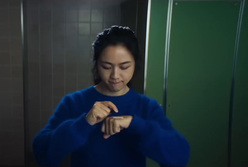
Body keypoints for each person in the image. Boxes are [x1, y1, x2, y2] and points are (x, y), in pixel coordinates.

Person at [32, 25, 190, 167]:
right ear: (96, 64)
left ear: (136, 64)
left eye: (124, 66)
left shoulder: (146, 107)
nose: (115, 75)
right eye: (106, 66)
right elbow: (42, 155)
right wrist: (83, 123)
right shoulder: (73, 102)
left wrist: (136, 124)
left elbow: (179, 157)